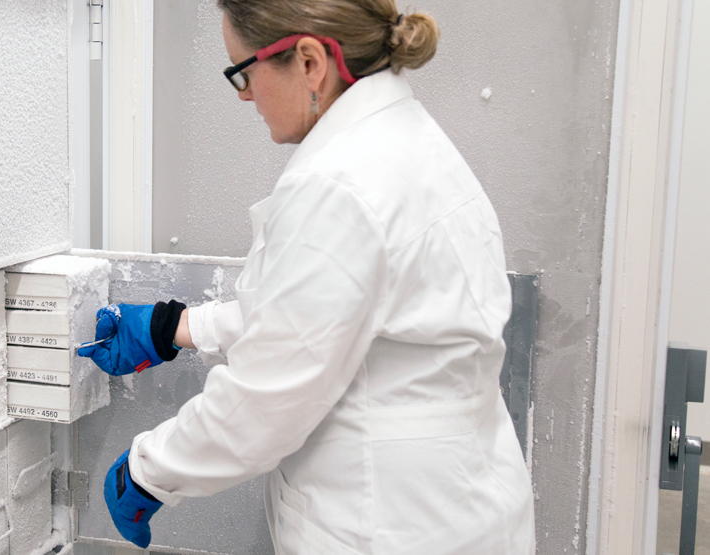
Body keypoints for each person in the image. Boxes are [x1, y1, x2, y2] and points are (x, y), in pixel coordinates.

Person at [77, 0, 536, 552]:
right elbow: (320, 318)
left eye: (242, 71)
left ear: (312, 62)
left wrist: (149, 470)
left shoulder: (340, 185)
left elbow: (268, 397)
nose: (244, 94)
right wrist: (172, 326)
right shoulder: (406, 145)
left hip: (390, 523)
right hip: (455, 504)